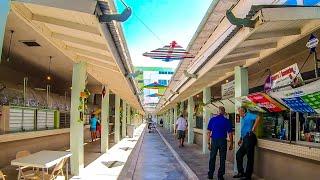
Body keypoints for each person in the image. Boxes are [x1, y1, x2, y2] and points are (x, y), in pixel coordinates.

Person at [233, 107, 260, 180]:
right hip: (245, 139)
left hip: (250, 137)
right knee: (238, 154)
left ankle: (248, 176)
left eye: (239, 112)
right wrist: (241, 138)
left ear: (243, 111)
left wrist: (253, 128)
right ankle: (241, 172)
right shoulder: (243, 118)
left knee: (250, 158)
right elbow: (244, 128)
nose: (239, 113)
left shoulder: (249, 115)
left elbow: (258, 117)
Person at [207, 106, 233, 180]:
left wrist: (208, 142)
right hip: (222, 141)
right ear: (224, 112)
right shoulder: (227, 121)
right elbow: (230, 133)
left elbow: (208, 132)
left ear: (218, 112)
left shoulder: (212, 120)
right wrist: (231, 143)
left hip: (214, 141)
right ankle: (220, 176)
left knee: (212, 157)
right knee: (222, 158)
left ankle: (210, 174)